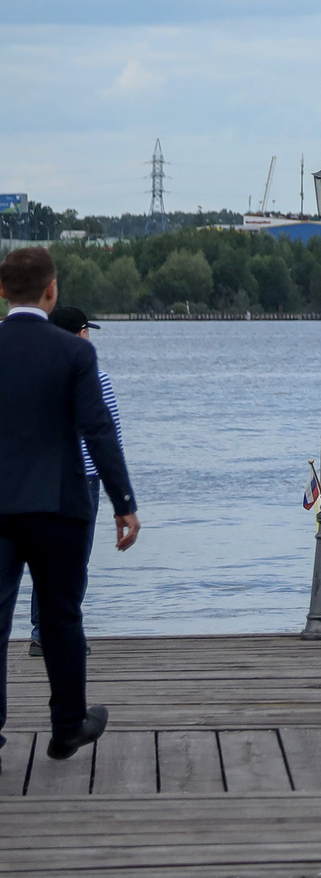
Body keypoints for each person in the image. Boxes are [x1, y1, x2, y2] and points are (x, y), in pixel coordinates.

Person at [0, 247, 139, 761]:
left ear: (1, 290)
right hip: (59, 504)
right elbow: (98, 430)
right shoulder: (76, 354)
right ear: (51, 289)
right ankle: (67, 725)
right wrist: (122, 501)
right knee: (61, 617)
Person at [30, 305, 118, 659]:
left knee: (43, 558)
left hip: (43, 477)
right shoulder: (96, 376)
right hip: (84, 480)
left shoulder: (36, 375)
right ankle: (65, 633)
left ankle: (41, 632)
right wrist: (121, 497)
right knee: (75, 559)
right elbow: (109, 436)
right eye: (86, 331)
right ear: (80, 335)